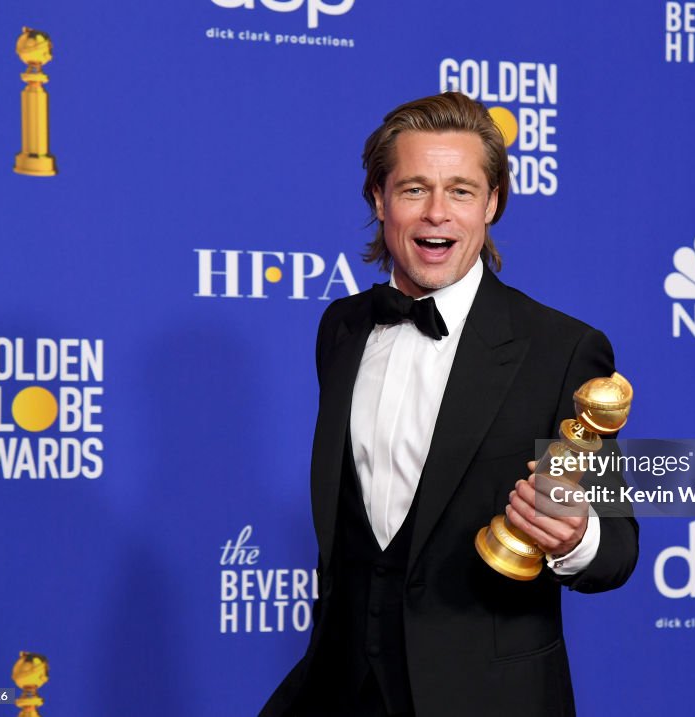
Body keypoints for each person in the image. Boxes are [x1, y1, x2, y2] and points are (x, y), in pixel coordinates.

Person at [259, 91, 638, 717]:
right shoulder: (343, 329)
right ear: (379, 200)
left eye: (461, 191)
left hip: (487, 698)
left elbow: (618, 547)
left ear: (491, 204)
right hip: (341, 691)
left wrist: (575, 536)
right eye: (414, 190)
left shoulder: (562, 350)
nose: (438, 214)